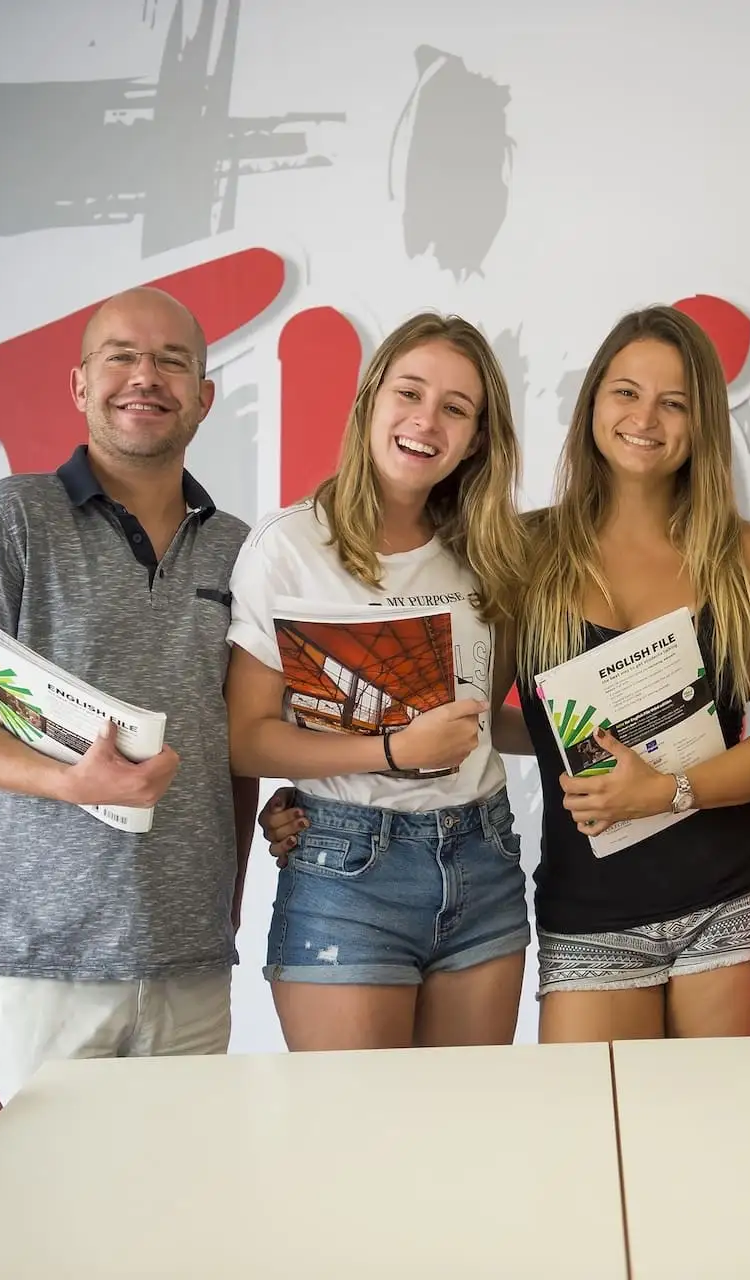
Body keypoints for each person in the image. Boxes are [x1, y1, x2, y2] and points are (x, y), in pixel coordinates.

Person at [0, 287, 257, 1101]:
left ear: (204, 397)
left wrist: (225, 913)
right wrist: (71, 780)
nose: (147, 377)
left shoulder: (240, 550)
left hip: (189, 968)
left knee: (170, 1218)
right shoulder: (7, 519)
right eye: (122, 357)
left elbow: (236, 749)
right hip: (31, 965)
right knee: (23, 1223)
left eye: (173, 361)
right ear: (79, 385)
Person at [226, 312, 532, 1051]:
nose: (427, 421)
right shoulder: (288, 547)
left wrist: (611, 749)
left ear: (478, 438)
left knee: (465, 1140)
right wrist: (392, 753)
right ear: (369, 402)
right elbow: (246, 740)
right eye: (410, 393)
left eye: (456, 409)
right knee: (355, 1149)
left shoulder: (494, 554)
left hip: (482, 858)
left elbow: (487, 721)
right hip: (345, 872)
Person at [510, 305, 750, 1042]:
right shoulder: (524, 551)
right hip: (590, 915)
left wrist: (664, 792)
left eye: (675, 403)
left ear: (702, 423)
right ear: (593, 402)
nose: (646, 418)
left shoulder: (746, 554)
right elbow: (486, 719)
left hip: (737, 898)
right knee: (593, 1149)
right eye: (626, 392)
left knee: (732, 1145)